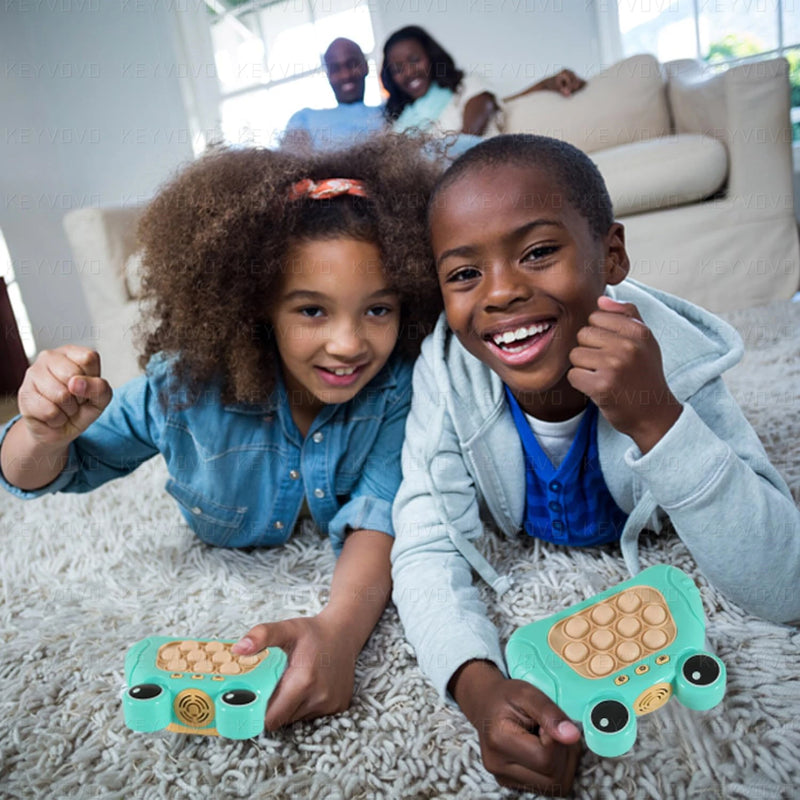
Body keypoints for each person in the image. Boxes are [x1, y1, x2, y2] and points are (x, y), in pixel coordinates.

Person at [390, 133, 800, 794]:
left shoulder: (673, 363)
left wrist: (656, 418)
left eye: (539, 252)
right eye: (465, 273)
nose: (499, 293)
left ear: (611, 255)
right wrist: (476, 685)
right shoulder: (447, 377)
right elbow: (423, 548)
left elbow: (786, 586)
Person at [0, 134, 442, 731]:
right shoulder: (184, 390)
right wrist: (41, 431)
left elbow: (379, 517)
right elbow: (45, 471)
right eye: (312, 310)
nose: (349, 343)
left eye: (378, 309)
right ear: (258, 305)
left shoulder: (397, 389)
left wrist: (337, 630)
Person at [381, 26, 585, 141]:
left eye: (415, 60)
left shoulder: (466, 88)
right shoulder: (397, 122)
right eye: (398, 69)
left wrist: (547, 84)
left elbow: (467, 144)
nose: (408, 72)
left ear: (431, 57)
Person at [282, 38, 385, 152]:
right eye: (335, 69)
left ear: (366, 67)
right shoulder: (303, 118)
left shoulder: (390, 111)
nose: (345, 75)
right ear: (328, 75)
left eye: (352, 64)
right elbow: (293, 165)